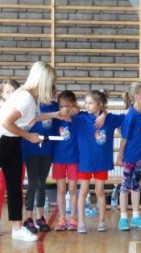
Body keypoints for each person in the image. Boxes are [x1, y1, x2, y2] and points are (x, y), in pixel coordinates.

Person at [0, 61, 66, 241]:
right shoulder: (25, 98)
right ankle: (17, 228)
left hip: (13, 141)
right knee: (12, 185)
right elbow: (6, 123)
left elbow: (34, 117)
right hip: (4, 140)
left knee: (15, 186)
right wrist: (28, 136)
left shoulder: (32, 98)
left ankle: (17, 229)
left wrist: (54, 114)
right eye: (51, 81)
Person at [74, 90, 124, 233]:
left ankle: (102, 221)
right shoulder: (81, 118)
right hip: (85, 161)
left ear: (100, 104)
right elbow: (66, 115)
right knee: (83, 191)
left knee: (100, 191)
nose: (87, 105)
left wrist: (105, 114)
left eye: (90, 103)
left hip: (101, 162)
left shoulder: (109, 119)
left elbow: (125, 117)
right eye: (86, 103)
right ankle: (81, 222)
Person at [116, 82, 141, 231]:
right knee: (125, 186)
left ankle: (136, 216)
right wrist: (119, 157)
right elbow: (124, 139)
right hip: (130, 157)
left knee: (137, 185)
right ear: (136, 97)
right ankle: (123, 217)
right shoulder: (131, 116)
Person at [21, 97, 59, 234]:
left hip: (46, 151)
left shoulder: (55, 106)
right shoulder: (31, 105)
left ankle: (40, 217)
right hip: (31, 151)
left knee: (41, 184)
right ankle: (28, 218)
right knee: (32, 184)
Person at [52, 90, 81, 231]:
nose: (64, 109)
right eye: (62, 106)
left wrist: (77, 112)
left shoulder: (78, 118)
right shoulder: (55, 118)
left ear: (74, 105)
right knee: (61, 189)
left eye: (68, 106)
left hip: (74, 158)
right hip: (58, 159)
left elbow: (89, 115)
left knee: (72, 188)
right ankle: (62, 218)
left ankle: (72, 218)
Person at [0, 79, 20, 218]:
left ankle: (16, 225)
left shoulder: (20, 110)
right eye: (7, 92)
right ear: (2, 93)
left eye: (14, 92)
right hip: (3, 147)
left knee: (14, 187)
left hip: (14, 150)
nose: (11, 94)